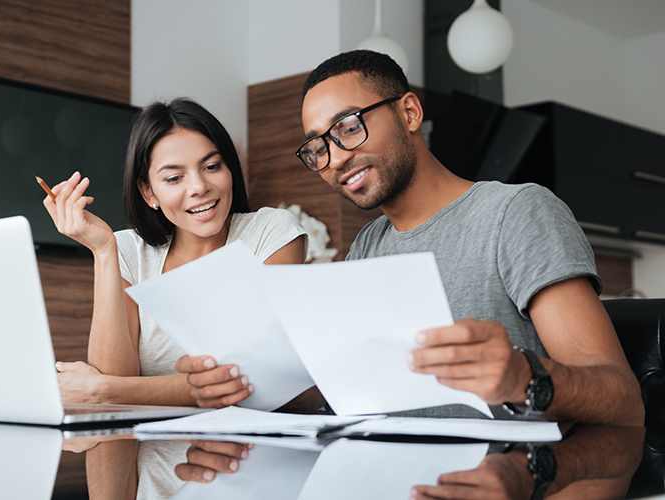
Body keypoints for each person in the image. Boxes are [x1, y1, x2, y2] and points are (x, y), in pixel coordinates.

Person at [177, 50, 644, 428]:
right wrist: (243, 384)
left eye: (348, 127)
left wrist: (524, 377)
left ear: (410, 112)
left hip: (511, 475)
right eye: (318, 147)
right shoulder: (367, 244)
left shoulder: (516, 212)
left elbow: (621, 399)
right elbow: (347, 394)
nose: (335, 159)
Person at [43, 98, 310, 497]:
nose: (199, 186)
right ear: (148, 192)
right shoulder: (128, 251)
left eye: (211, 166)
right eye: (174, 178)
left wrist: (103, 391)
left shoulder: (270, 233)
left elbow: (246, 382)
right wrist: (102, 252)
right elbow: (115, 384)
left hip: (249, 475)